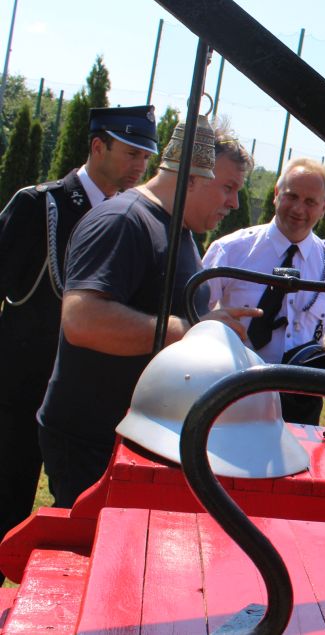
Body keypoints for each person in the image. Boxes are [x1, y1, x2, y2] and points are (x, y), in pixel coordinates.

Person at [36, 117, 259, 508]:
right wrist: (192, 331)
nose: (234, 203)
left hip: (137, 435)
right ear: (192, 175)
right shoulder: (123, 220)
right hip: (94, 442)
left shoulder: (178, 229)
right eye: (228, 187)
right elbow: (82, 320)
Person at [0, 105, 156, 556]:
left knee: (79, 517)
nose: (140, 166)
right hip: (19, 391)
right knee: (5, 502)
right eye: (131, 153)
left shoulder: (134, 219)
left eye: (146, 157)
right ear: (97, 146)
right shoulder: (39, 205)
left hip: (85, 403)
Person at [202, 157, 325, 424]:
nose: (299, 209)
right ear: (276, 194)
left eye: (310, 202)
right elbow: (193, 315)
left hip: (300, 399)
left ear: (324, 208)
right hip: (233, 390)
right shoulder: (231, 250)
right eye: (292, 196)